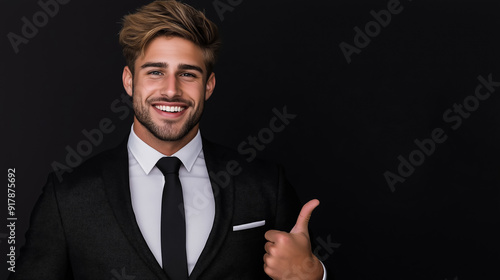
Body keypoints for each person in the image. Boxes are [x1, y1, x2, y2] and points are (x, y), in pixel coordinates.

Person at [10, 0, 326, 279]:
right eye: (155, 72)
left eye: (188, 73)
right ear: (129, 81)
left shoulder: (265, 186)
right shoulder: (68, 197)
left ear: (209, 85)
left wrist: (311, 276)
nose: (172, 90)